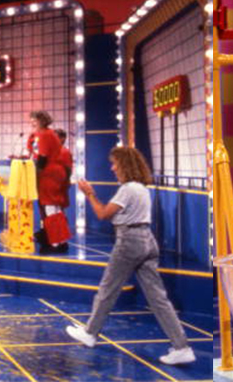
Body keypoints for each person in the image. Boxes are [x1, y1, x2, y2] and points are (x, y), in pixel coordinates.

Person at [67, 147, 195, 366]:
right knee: (158, 298)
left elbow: (103, 214)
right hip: (148, 240)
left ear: (125, 164)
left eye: (115, 163)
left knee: (108, 289)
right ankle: (182, 346)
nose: (113, 168)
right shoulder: (143, 189)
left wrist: (89, 193)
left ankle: (90, 333)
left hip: (130, 241)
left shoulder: (127, 189)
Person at [27, 111, 68, 254]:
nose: (32, 122)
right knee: (56, 210)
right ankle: (61, 241)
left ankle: (54, 243)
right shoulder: (48, 133)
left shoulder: (44, 135)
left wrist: (36, 172)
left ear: (42, 121)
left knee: (51, 210)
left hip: (49, 175)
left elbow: (42, 158)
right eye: (31, 119)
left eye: (35, 120)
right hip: (55, 173)